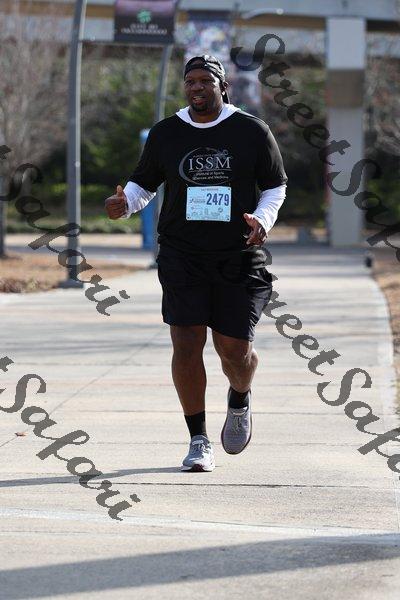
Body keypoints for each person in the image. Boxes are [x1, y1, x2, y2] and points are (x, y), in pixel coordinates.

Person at [105, 55, 287, 472]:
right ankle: (198, 439)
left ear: (223, 87)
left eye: (206, 80)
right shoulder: (167, 133)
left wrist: (262, 220)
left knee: (235, 351)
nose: (197, 87)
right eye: (191, 81)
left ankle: (239, 398)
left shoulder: (251, 131)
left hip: (237, 255)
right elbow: (143, 184)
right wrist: (124, 204)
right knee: (186, 344)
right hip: (182, 254)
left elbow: (275, 185)